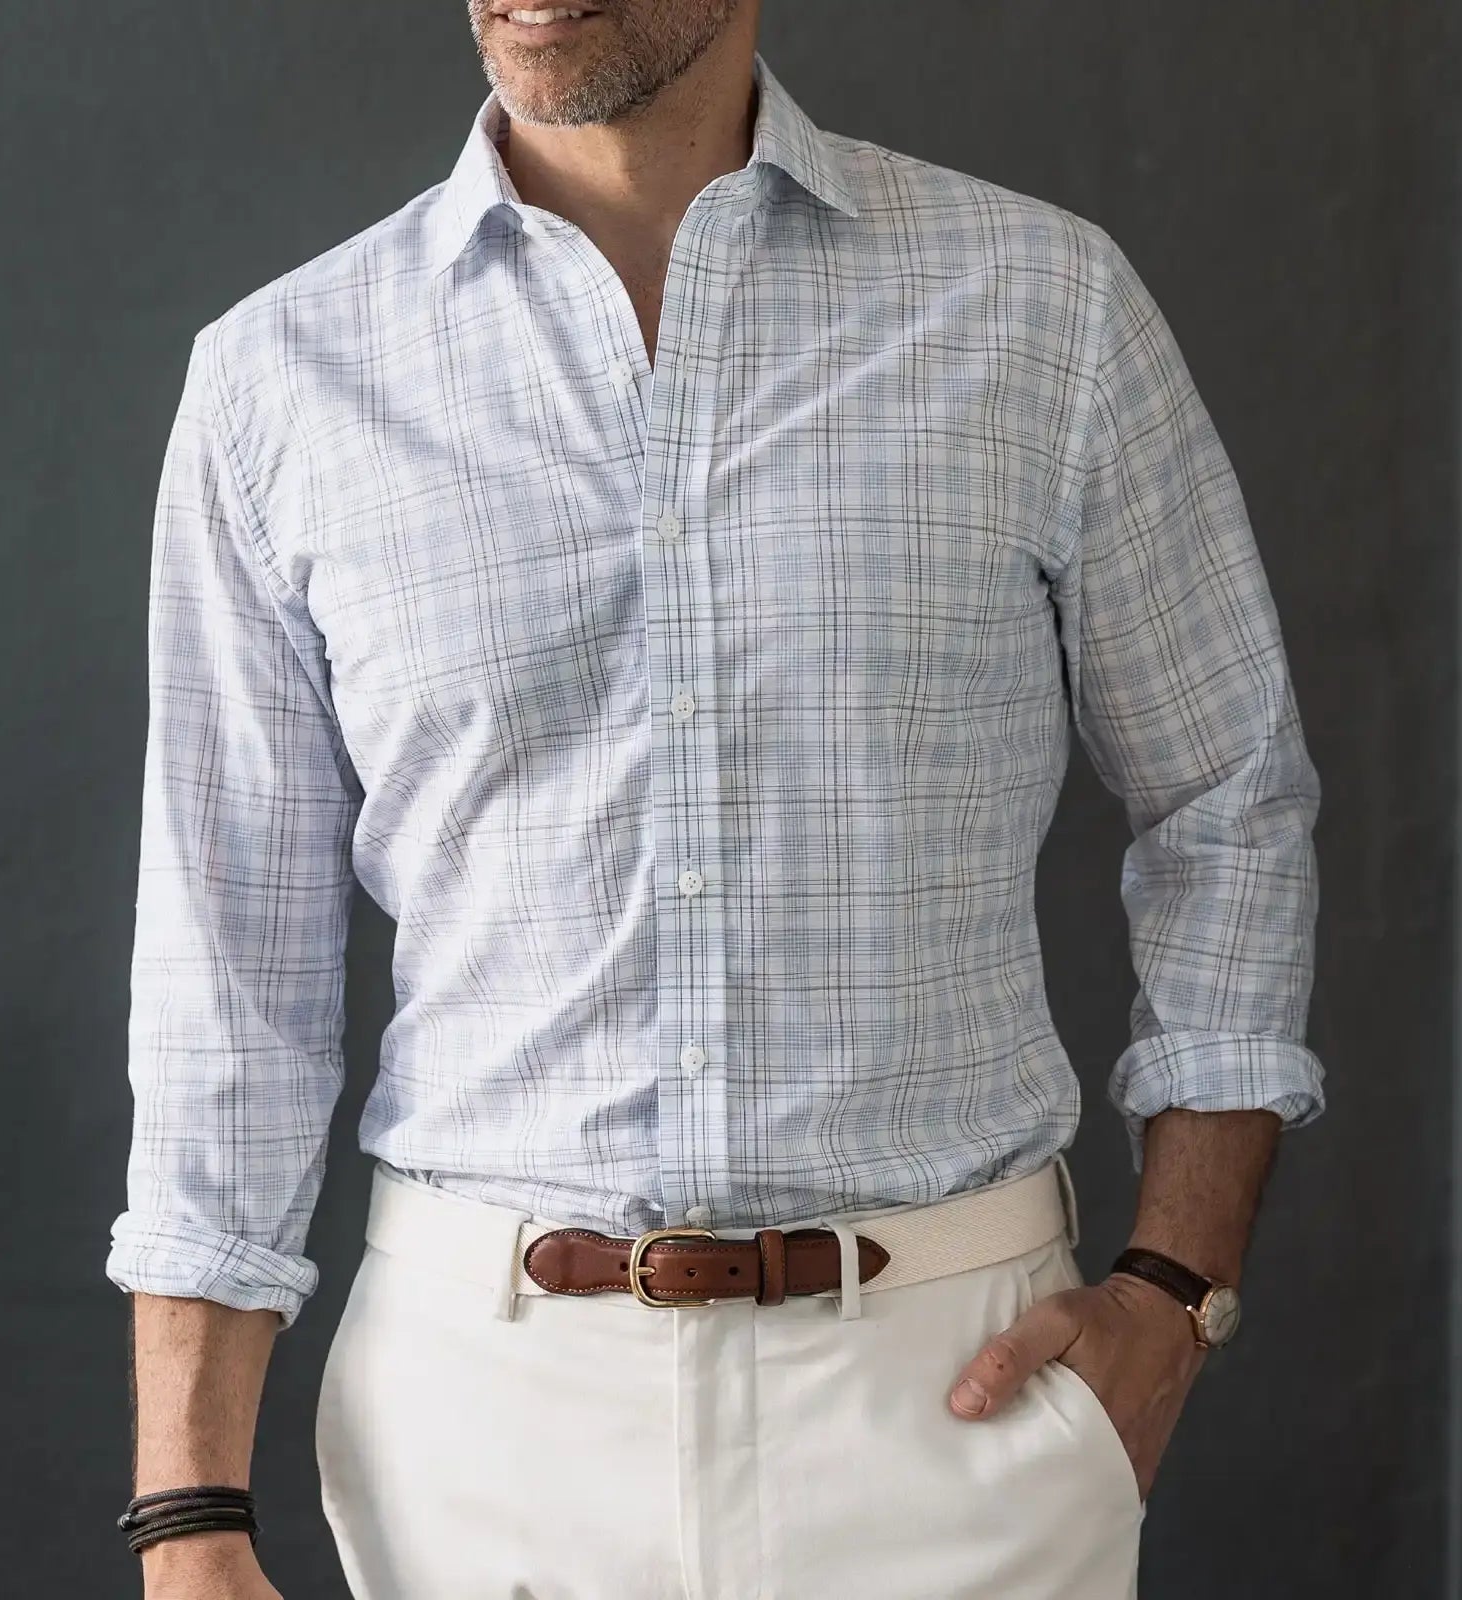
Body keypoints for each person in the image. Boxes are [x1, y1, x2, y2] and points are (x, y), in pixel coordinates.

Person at [105, 2, 1326, 1596]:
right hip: (473, 1437)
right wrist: (187, 1517)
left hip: (960, 1408)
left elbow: (1227, 792)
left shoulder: (1041, 309)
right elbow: (227, 986)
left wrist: (1176, 1293)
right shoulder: (281, 382)